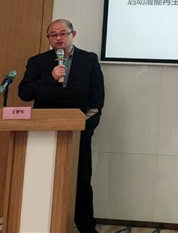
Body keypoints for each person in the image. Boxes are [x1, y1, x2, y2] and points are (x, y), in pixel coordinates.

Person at [18, 19, 105, 233]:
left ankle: (86, 227)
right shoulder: (37, 62)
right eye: (53, 35)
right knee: (43, 178)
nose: (58, 38)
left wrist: (86, 127)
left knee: (81, 180)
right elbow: (25, 93)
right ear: (48, 38)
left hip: (79, 132)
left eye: (63, 33)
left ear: (73, 34)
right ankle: (40, 223)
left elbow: (97, 98)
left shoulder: (89, 59)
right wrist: (51, 78)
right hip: (44, 132)